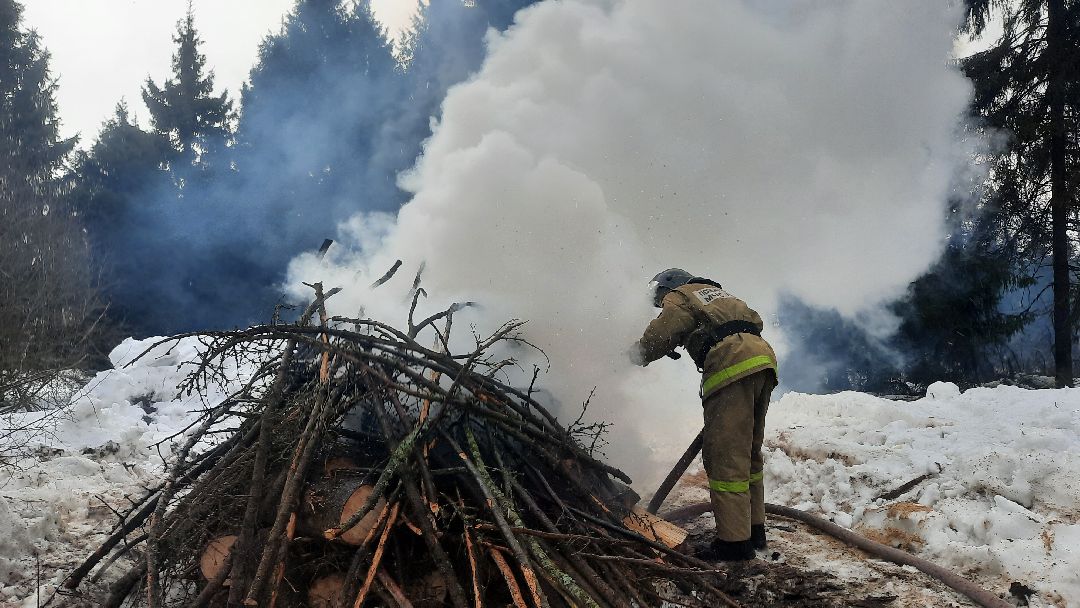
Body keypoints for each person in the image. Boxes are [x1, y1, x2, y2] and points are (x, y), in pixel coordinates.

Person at [629, 268, 778, 560]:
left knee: (725, 455)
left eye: (659, 299)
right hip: (763, 360)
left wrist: (636, 354)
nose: (661, 304)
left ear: (666, 287)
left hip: (731, 363)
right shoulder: (716, 294)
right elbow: (754, 319)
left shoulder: (679, 295)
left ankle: (734, 546)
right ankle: (754, 531)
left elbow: (663, 332)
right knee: (749, 452)